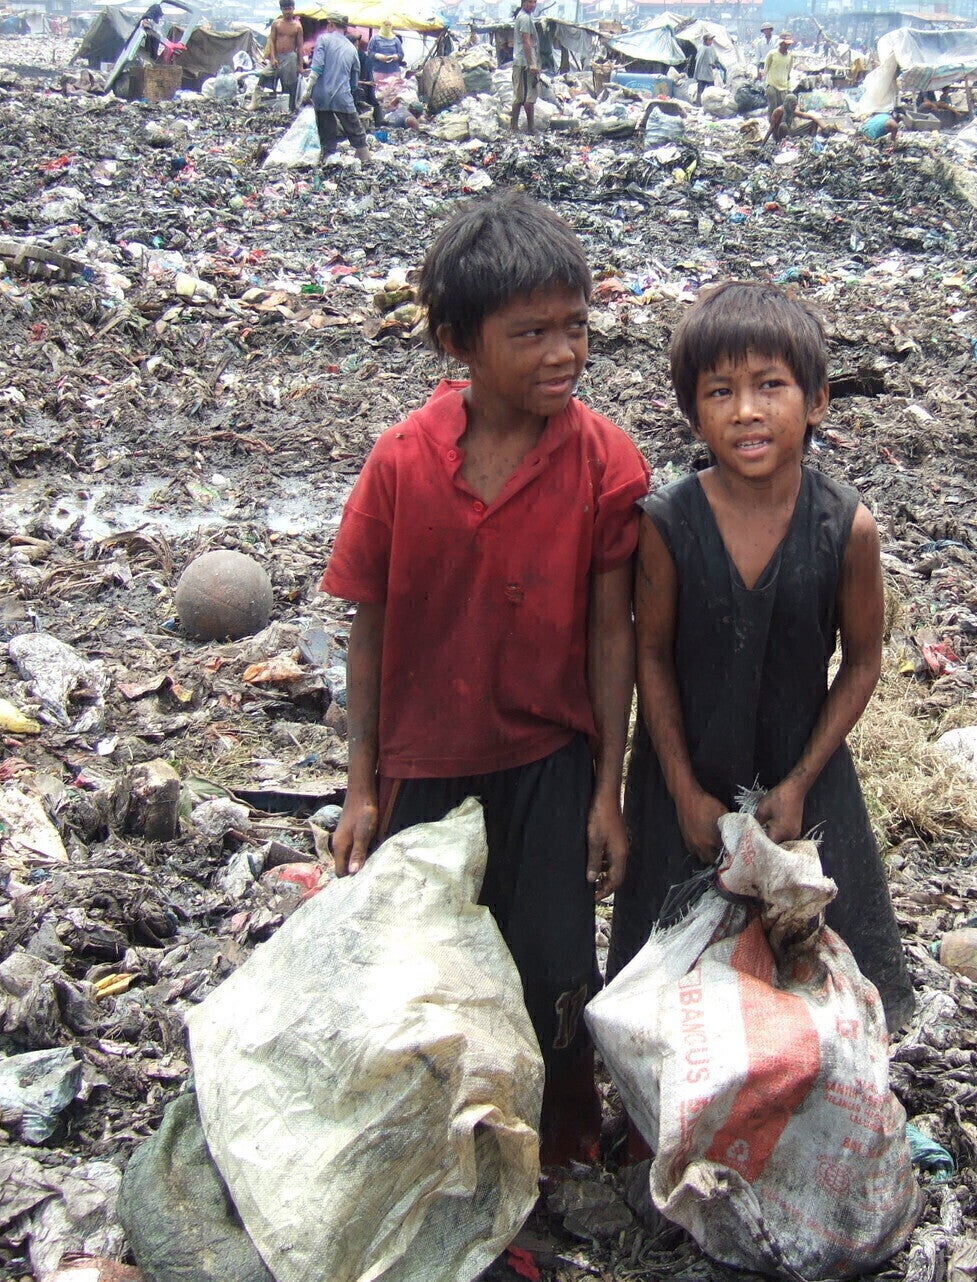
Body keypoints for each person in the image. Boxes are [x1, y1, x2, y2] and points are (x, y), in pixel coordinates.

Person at [321, 192, 649, 1169]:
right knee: (421, 975)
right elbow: (370, 630)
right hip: (423, 767)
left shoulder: (603, 463)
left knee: (553, 969)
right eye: (530, 333)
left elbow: (612, 637)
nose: (562, 353)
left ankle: (557, 1153)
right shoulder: (400, 462)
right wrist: (361, 787)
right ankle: (433, 1157)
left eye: (575, 327)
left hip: (548, 762)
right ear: (457, 342)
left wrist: (605, 789)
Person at [608, 281, 914, 1034]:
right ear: (693, 414)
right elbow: (650, 655)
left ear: (816, 402)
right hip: (687, 774)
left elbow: (863, 662)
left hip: (803, 772)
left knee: (818, 986)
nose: (746, 410)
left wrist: (800, 780)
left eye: (769, 386)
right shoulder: (667, 523)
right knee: (668, 1004)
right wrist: (682, 790)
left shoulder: (845, 527)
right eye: (720, 392)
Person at [308, 16, 370, 165]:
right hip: (342, 96)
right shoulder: (352, 48)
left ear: (330, 24)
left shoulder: (323, 39)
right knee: (355, 129)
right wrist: (351, 92)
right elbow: (354, 80)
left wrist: (307, 90)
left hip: (321, 95)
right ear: (345, 27)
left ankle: (329, 159)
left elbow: (316, 68)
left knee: (327, 131)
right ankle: (365, 158)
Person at [261, 0, 303, 113]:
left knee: (289, 84)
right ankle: (257, 103)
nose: (287, 12)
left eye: (289, 8)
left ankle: (290, 109)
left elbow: (300, 47)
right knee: (264, 75)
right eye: (285, 9)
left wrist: (300, 66)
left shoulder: (297, 26)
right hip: (277, 56)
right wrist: (273, 57)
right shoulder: (276, 24)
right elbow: (271, 41)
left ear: (293, 9)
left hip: (290, 57)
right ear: (281, 10)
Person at [510, 0, 540, 134]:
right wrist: (532, 63)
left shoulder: (521, 17)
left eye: (534, 2)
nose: (533, 5)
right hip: (525, 63)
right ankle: (531, 128)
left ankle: (514, 127)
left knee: (519, 96)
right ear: (523, 3)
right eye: (530, 2)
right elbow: (526, 41)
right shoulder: (525, 19)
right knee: (530, 96)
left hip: (519, 62)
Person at [763, 34, 795, 142]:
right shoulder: (772, 54)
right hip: (772, 85)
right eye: (785, 44)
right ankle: (772, 132)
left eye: (788, 45)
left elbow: (788, 71)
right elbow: (766, 68)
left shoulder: (790, 56)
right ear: (780, 43)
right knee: (773, 110)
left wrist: (788, 87)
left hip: (783, 86)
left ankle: (779, 134)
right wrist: (767, 84)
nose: (786, 47)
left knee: (782, 111)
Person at [693, 32, 724, 98]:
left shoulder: (706, 48)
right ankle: (703, 102)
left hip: (704, 73)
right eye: (710, 40)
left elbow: (714, 59)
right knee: (709, 91)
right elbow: (708, 61)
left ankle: (701, 101)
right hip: (705, 73)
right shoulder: (705, 48)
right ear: (705, 40)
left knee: (703, 91)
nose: (711, 41)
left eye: (711, 40)